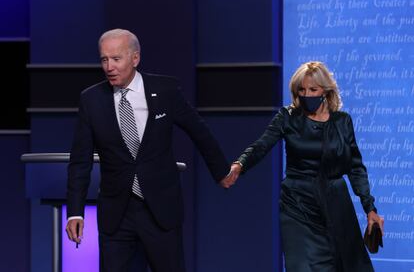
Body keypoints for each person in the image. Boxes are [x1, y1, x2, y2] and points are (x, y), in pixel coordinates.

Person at [66, 28, 229, 272]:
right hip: (116, 215)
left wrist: (222, 172)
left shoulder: (165, 91)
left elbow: (199, 132)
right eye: (104, 59)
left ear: (135, 58)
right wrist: (75, 212)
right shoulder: (91, 100)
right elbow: (80, 161)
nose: (109, 66)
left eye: (116, 59)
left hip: (160, 210)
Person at [221, 61, 384, 271]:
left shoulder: (342, 122)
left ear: (326, 90)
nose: (307, 94)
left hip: (336, 206)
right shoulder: (287, 117)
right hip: (297, 204)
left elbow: (355, 167)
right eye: (302, 90)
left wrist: (369, 208)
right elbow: (262, 145)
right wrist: (240, 164)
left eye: (313, 89)